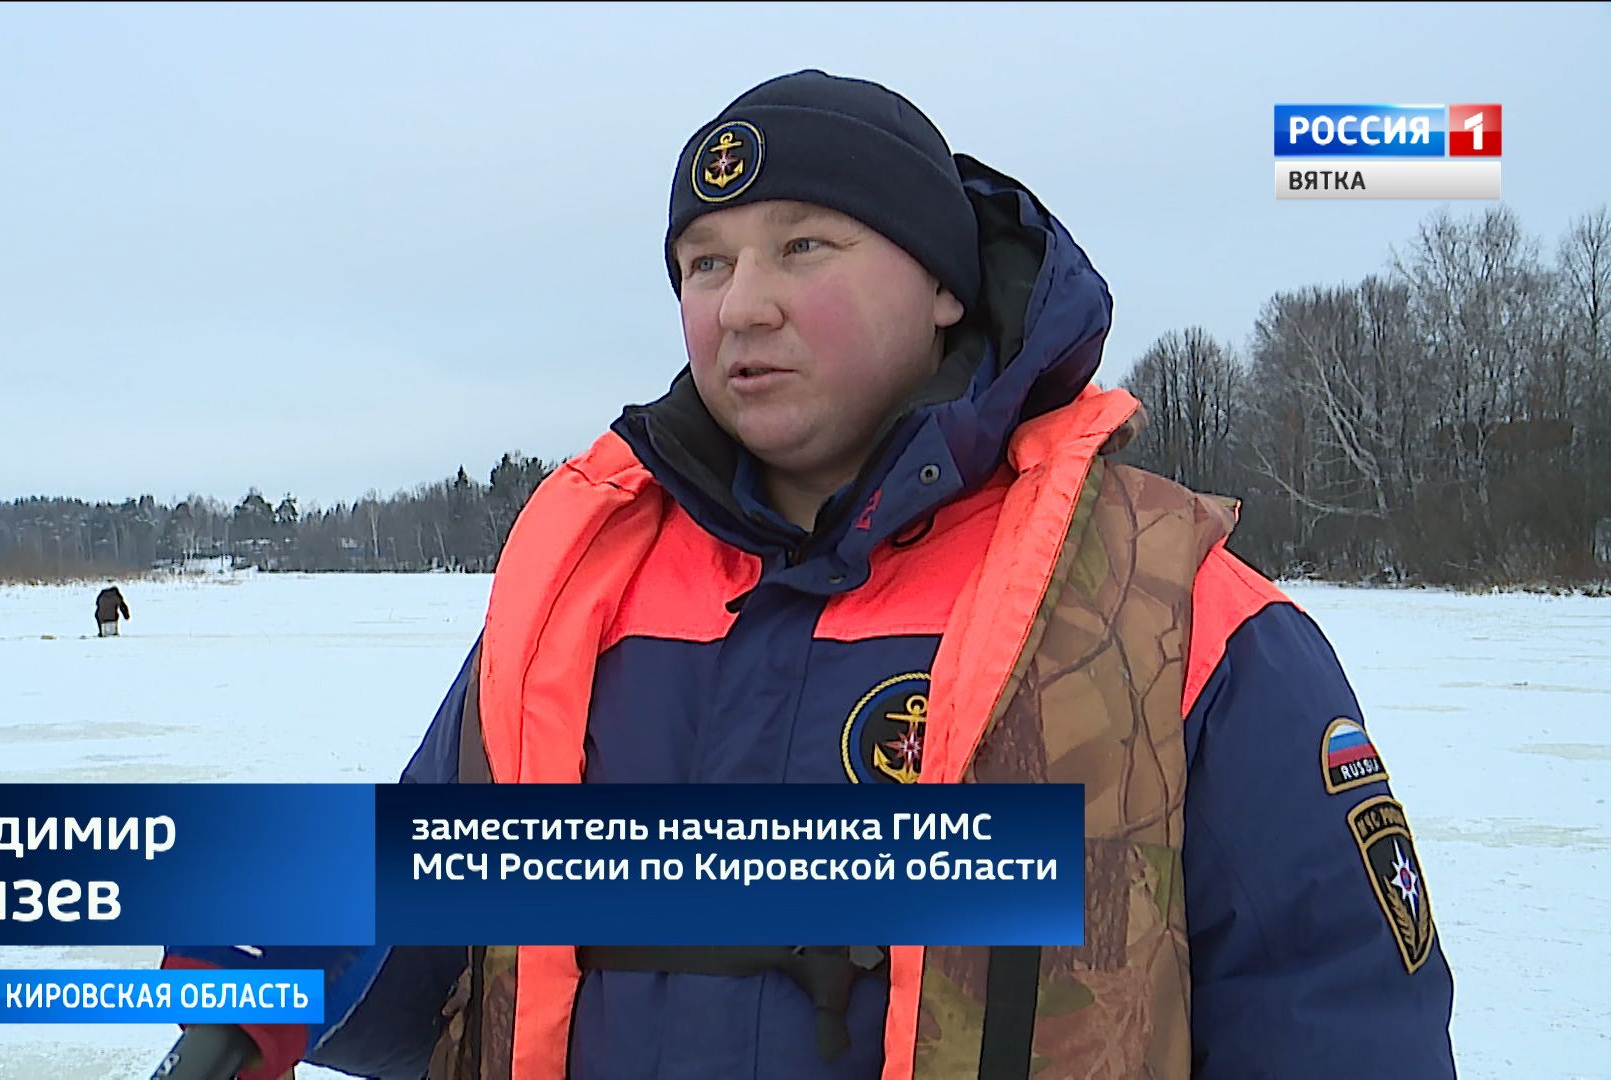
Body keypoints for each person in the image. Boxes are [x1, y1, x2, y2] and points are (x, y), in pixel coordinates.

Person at [166, 70, 1456, 1079]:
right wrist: (290, 938)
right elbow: (439, 964)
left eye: (804, 248)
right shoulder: (576, 597)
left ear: (943, 286)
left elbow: (1337, 1024)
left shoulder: (1176, 614)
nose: (742, 305)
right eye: (705, 263)